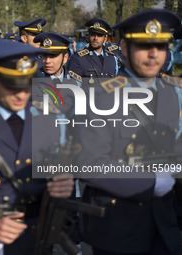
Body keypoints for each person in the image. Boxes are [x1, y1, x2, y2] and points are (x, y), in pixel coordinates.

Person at [73, 9, 182, 255]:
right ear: (124, 46)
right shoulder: (100, 96)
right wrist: (150, 182)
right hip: (118, 228)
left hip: (165, 225)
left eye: (161, 46)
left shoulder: (171, 93)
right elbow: (88, 162)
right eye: (144, 45)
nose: (154, 54)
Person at [0, 39, 75, 255]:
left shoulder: (50, 121)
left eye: (26, 83)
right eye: (11, 84)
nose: (21, 94)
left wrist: (64, 183)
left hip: (36, 238)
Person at [68, 18, 119, 86]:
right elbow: (73, 88)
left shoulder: (113, 58)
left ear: (105, 38)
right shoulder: (78, 59)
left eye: (99, 35)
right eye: (93, 34)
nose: (95, 38)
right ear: (88, 36)